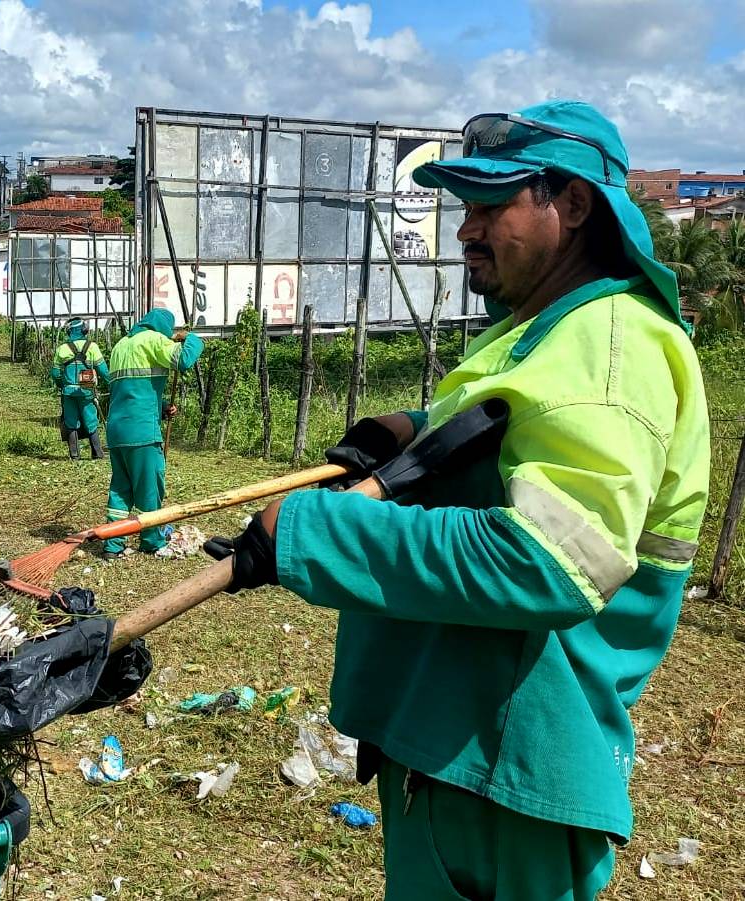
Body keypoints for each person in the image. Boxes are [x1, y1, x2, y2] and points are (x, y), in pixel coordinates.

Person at [206, 100, 709, 899]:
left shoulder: (611, 343)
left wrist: (315, 533)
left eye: (490, 206)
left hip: (506, 768)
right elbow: (499, 429)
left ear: (572, 205)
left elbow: (548, 563)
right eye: (463, 207)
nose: (465, 229)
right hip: (456, 741)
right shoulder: (544, 326)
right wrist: (405, 433)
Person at [103, 308, 203, 557]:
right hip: (141, 432)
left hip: (117, 430)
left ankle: (113, 544)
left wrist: (160, 407)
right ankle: (151, 539)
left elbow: (128, 390)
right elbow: (183, 359)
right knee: (149, 487)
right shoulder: (153, 340)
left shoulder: (121, 346)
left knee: (121, 489)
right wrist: (192, 338)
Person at [50, 318, 109, 460]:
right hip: (87, 390)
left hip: (68, 391)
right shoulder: (93, 347)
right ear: (85, 330)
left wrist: (62, 385)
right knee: (91, 420)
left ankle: (74, 455)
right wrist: (110, 384)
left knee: (71, 421)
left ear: (69, 331)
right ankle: (97, 453)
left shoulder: (62, 349)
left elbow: (55, 373)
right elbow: (103, 370)